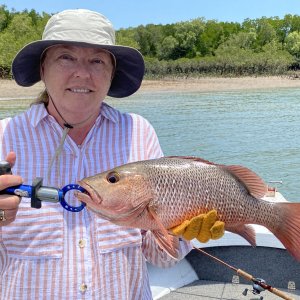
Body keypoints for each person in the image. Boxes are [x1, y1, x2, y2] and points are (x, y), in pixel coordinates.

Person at [0, 9, 224, 299]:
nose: (82, 72)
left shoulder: (139, 132)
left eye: (97, 60)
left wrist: (182, 230)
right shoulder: (3, 137)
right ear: (42, 69)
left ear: (111, 74)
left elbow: (161, 257)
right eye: (65, 57)